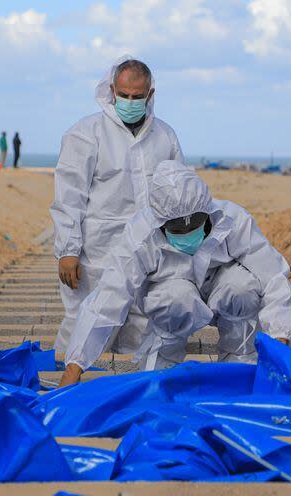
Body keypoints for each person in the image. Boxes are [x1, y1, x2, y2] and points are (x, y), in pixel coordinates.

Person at [60, 160, 291, 386]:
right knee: (174, 299)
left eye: (194, 223)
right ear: (160, 222)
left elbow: (272, 278)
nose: (187, 230)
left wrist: (281, 342)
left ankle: (239, 367)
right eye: (176, 227)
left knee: (242, 287)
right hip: (172, 295)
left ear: (207, 211)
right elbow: (111, 293)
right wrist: (74, 366)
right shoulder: (141, 234)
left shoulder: (235, 221)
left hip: (223, 289)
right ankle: (163, 371)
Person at [50, 57, 184, 358]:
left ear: (150, 95)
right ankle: (64, 394)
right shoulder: (85, 134)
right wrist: (68, 250)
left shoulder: (165, 137)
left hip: (148, 255)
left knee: (141, 333)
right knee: (85, 330)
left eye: (138, 96)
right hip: (98, 256)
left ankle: (129, 400)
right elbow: (68, 195)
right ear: (112, 90)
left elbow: (178, 195)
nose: (130, 101)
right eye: (124, 95)